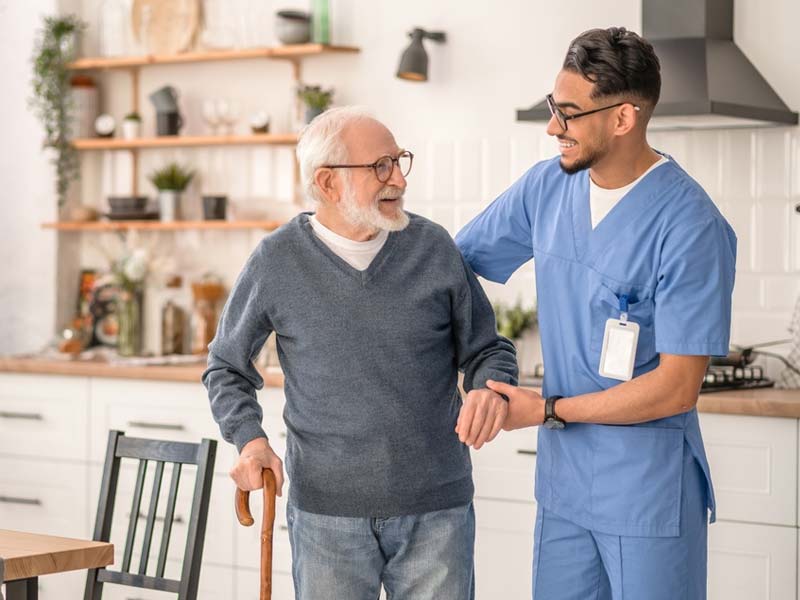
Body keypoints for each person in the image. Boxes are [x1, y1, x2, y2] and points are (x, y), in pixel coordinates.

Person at [455, 27, 736, 600]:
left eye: (569, 113)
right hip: (564, 492)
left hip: (646, 492)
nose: (554, 127)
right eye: (554, 108)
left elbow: (678, 388)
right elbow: (451, 267)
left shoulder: (690, 225)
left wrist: (549, 408)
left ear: (623, 118)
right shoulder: (545, 190)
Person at [203, 106, 518, 600]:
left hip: (437, 509)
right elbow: (226, 366)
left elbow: (488, 349)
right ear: (327, 183)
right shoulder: (277, 260)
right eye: (380, 166)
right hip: (325, 514)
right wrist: (249, 439)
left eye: (399, 161)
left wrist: (489, 390)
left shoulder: (433, 247)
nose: (398, 180)